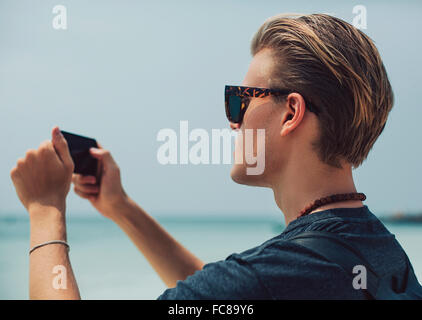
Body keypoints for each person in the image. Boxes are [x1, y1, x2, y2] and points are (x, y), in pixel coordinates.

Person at [10, 13, 420, 300]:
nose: (231, 122)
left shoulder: (271, 277)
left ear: (291, 113)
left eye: (239, 100)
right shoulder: (384, 255)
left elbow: (244, 289)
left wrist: (45, 210)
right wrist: (122, 209)